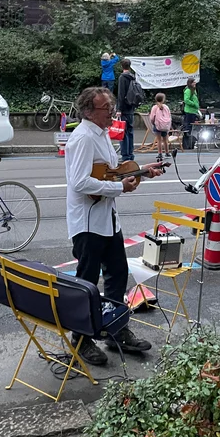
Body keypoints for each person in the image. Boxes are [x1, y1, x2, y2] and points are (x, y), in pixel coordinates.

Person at [65, 87, 163, 365]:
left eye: (110, 107)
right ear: (89, 111)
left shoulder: (102, 135)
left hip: (107, 221)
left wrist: (142, 170)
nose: (111, 112)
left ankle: (116, 329)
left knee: (117, 274)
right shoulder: (83, 138)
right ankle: (81, 339)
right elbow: (80, 183)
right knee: (86, 283)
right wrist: (119, 186)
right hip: (87, 223)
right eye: (106, 108)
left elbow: (111, 172)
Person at [116, 59, 139, 162]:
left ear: (122, 66)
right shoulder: (133, 77)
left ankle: (125, 156)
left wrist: (119, 109)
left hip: (124, 108)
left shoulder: (122, 77)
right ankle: (130, 154)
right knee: (130, 132)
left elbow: (121, 94)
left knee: (123, 133)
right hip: (131, 107)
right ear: (130, 66)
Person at [149, 93, 172, 161]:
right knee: (165, 139)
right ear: (163, 100)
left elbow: (152, 118)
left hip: (157, 125)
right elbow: (169, 116)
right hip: (165, 125)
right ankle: (167, 152)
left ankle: (160, 153)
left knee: (159, 140)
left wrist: (153, 123)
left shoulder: (154, 107)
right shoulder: (166, 107)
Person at [182, 77, 200, 149]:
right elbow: (186, 100)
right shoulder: (188, 91)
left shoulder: (194, 90)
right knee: (188, 127)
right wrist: (194, 104)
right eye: (193, 82)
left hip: (193, 111)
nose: (195, 83)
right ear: (190, 83)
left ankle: (190, 143)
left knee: (191, 127)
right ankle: (187, 144)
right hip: (189, 111)